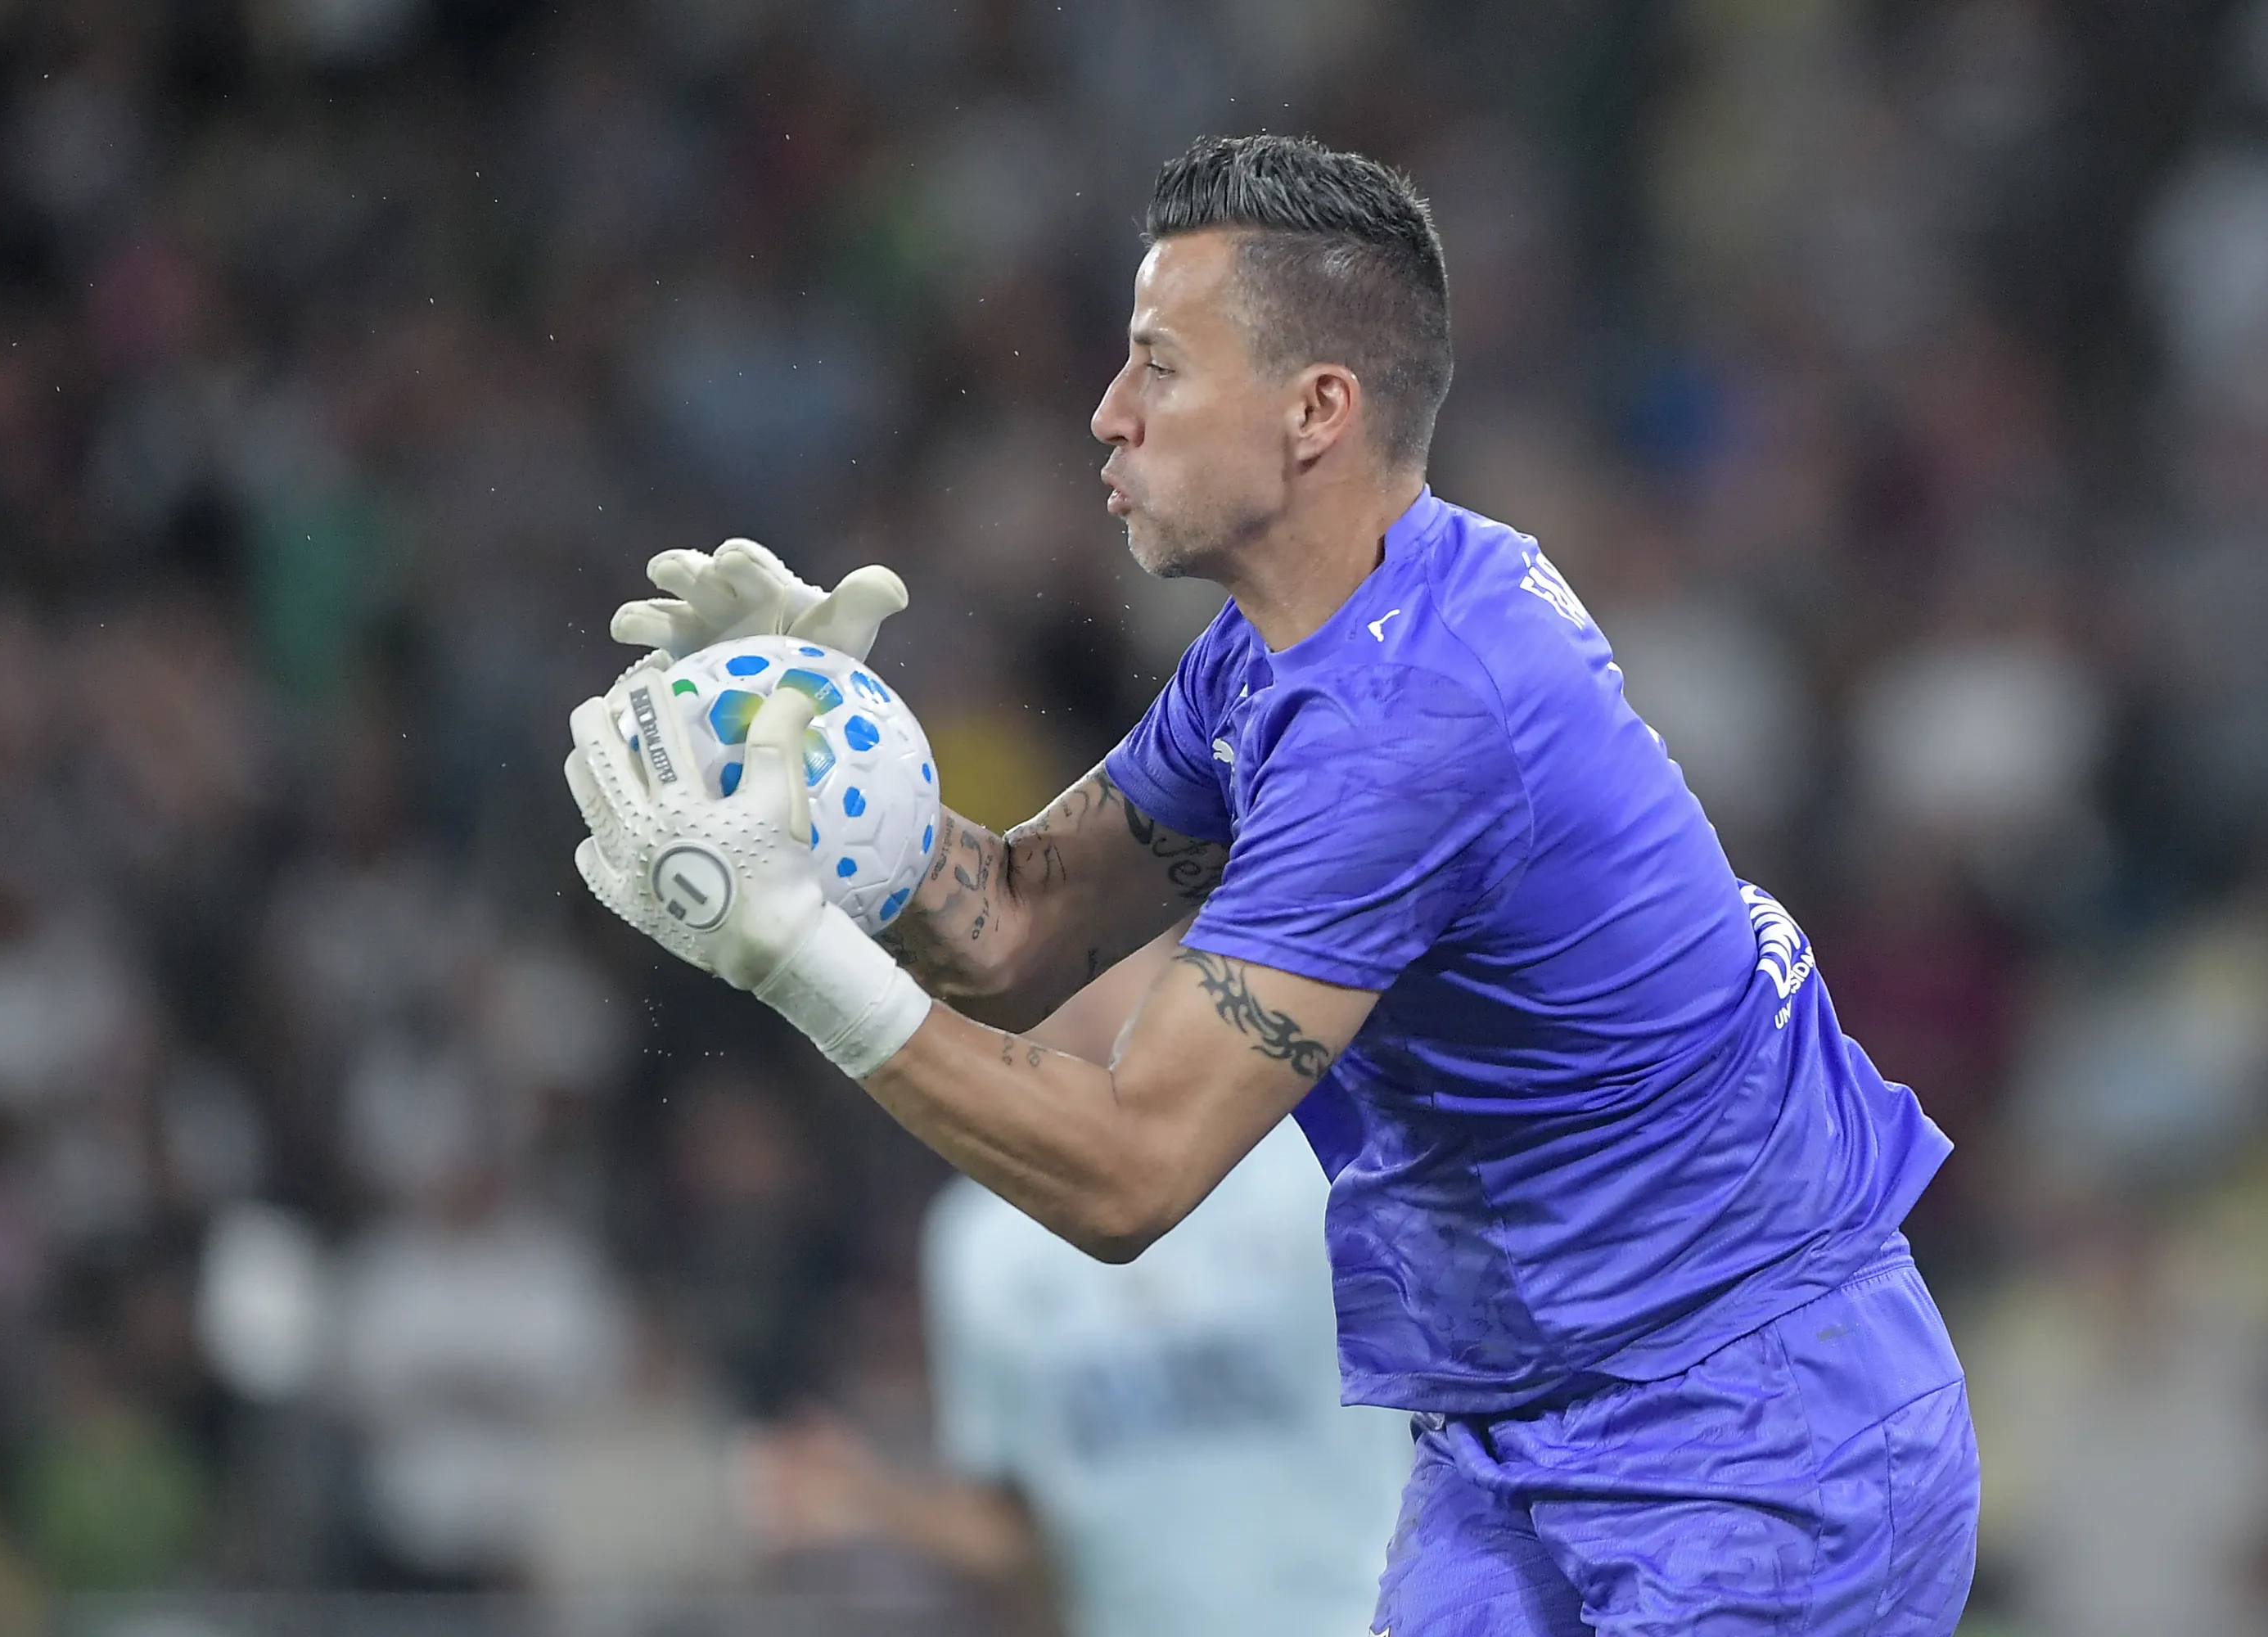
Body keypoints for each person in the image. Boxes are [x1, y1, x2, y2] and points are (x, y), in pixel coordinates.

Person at [565, 133, 1978, 1635]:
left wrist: (787, 943)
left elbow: (1129, 1170)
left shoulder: (1411, 725)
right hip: (1520, 1434)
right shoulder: (1287, 660)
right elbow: (1022, 928)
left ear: (1318, 411)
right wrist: (830, 774)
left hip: (1759, 1436)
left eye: (1159, 368)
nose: (1107, 415)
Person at [742, 932, 1411, 1637]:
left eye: (1106, 960)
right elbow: (1023, 1533)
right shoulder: (981, 1243)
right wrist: (874, 1503)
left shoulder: (1324, 1169)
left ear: (1194, 966)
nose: (1082, 1003)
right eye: (1048, 979)